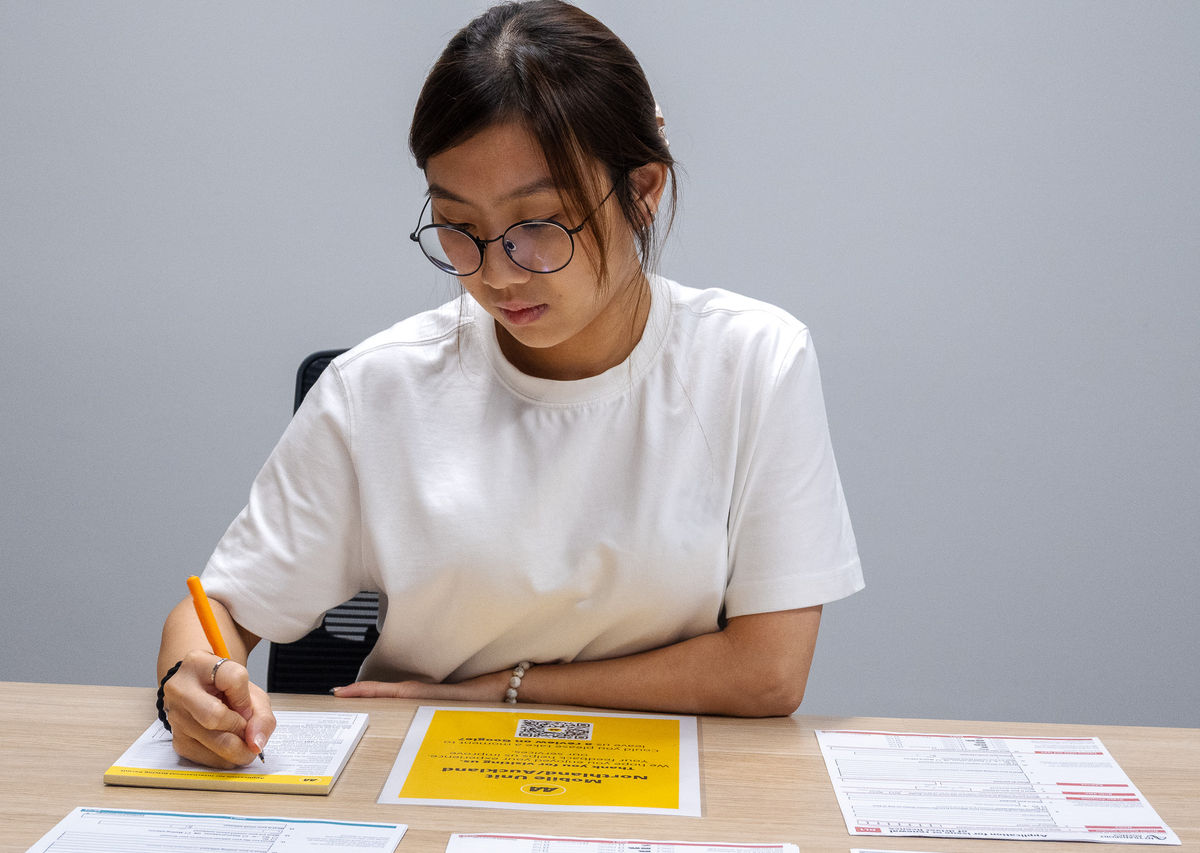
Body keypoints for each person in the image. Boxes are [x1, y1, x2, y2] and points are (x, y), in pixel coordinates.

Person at [157, 0, 863, 769]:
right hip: (412, 780)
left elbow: (767, 672)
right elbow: (216, 610)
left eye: (539, 224)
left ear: (644, 189)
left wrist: (508, 689)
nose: (495, 272)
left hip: (670, 788)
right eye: (458, 226)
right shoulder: (379, 388)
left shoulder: (754, 363)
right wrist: (188, 681)